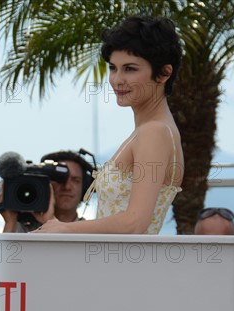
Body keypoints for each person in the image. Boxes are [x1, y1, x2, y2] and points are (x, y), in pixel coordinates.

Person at [34, 15, 184, 234]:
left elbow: (135, 223)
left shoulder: (155, 132)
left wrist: (66, 229)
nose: (117, 79)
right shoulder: (148, 130)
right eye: (113, 68)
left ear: (163, 74)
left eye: (130, 69)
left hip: (125, 265)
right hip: (114, 262)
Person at [0, 150, 94, 232]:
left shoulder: (91, 231)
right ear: (44, 184)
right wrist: (10, 222)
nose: (67, 187)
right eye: (60, 179)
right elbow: (5, 255)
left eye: (75, 180)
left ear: (85, 187)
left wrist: (50, 221)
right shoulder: (22, 229)